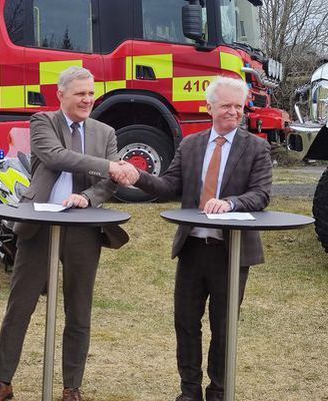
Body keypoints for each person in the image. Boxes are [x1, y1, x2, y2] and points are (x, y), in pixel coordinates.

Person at [0, 66, 138, 401]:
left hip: (84, 227)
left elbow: (107, 183)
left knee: (79, 309)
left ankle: (72, 387)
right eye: (80, 93)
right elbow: (56, 156)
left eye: (91, 93)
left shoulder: (105, 132)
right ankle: (3, 381)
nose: (87, 99)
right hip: (40, 224)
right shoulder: (43, 121)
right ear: (61, 95)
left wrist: (88, 197)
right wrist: (107, 165)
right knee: (20, 306)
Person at [128, 76, 272, 401]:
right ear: (209, 108)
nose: (233, 113)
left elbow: (261, 194)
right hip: (192, 249)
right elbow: (169, 186)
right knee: (186, 325)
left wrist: (231, 203)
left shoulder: (256, 147)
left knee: (223, 329)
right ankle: (189, 392)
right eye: (226, 106)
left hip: (230, 252)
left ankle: (218, 392)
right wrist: (138, 177)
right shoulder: (191, 145)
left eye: (238, 106)